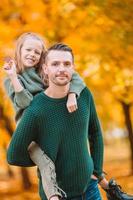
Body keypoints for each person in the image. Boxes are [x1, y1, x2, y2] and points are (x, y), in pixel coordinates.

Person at [5, 41, 133, 200]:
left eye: (66, 64)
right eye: (55, 64)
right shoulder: (35, 108)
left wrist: (97, 172)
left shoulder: (84, 95)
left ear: (73, 67)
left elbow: (95, 134)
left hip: (91, 189)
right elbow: (13, 155)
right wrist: (47, 160)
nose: (61, 69)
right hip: (59, 195)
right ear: (45, 68)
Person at [3, 33, 86, 200]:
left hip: (52, 127)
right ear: (19, 50)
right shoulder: (11, 79)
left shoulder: (45, 70)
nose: (32, 54)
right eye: (28, 50)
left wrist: (72, 95)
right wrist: (13, 77)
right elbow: (26, 103)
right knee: (45, 164)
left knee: (68, 157)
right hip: (30, 133)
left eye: (37, 52)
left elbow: (76, 78)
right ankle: (53, 197)